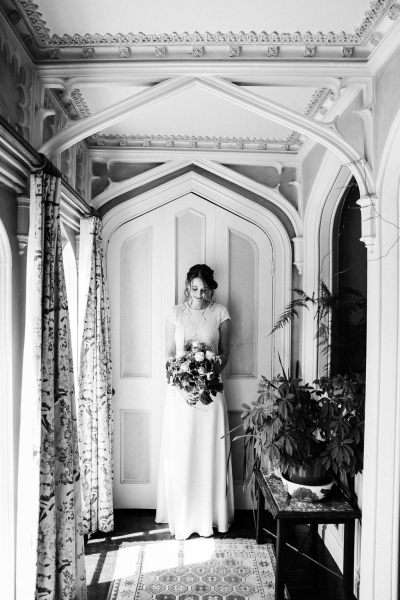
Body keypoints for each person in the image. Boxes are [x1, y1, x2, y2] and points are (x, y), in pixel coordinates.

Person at [155, 264, 234, 539]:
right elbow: (168, 355)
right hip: (180, 395)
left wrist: (207, 379)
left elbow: (224, 353)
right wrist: (183, 383)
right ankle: (183, 515)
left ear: (211, 287)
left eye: (205, 289)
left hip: (211, 395)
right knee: (183, 452)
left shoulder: (221, 312)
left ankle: (212, 516)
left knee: (208, 451)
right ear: (188, 285)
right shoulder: (175, 313)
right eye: (195, 288)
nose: (200, 293)